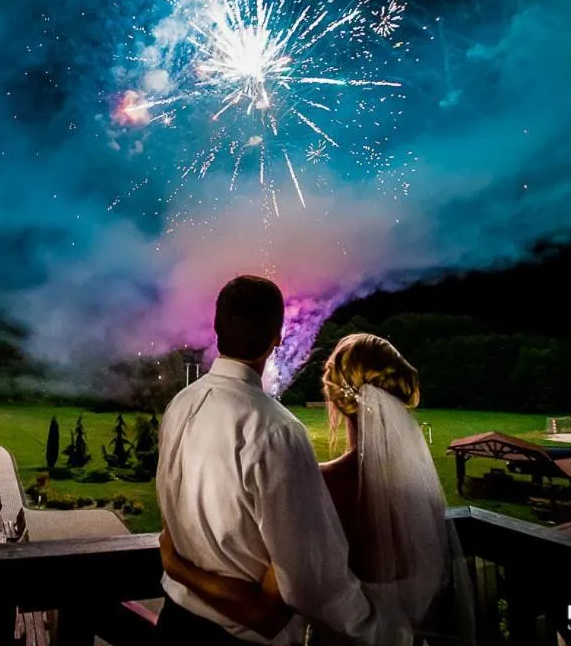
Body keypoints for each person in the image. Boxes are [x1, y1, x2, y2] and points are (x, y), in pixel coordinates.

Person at [161, 333, 475, 645]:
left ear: (334, 398)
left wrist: (178, 568)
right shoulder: (425, 491)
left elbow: (274, 602)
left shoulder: (319, 485)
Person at [157, 276, 395, 645]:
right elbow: (300, 574)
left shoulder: (179, 406)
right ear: (277, 336)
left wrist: (177, 568)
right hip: (241, 637)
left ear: (217, 328)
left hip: (173, 623)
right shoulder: (279, 430)